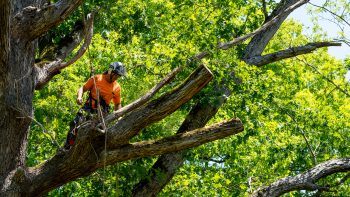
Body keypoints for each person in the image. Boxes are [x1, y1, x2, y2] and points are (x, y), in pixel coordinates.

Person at [64, 61, 127, 150]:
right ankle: (67, 147)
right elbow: (83, 88)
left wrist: (119, 117)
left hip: (102, 112)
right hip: (88, 107)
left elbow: (117, 104)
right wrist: (79, 97)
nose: (117, 77)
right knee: (75, 125)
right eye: (116, 74)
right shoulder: (96, 78)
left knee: (99, 134)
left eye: (119, 76)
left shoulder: (117, 87)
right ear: (110, 71)